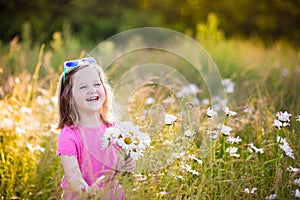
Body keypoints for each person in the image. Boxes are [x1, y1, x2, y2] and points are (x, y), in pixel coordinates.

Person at [56, 57, 136, 199]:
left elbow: (115, 168)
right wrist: (91, 193)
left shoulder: (113, 128)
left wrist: (127, 166)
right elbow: (74, 178)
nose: (92, 90)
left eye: (96, 84)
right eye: (83, 86)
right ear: (68, 97)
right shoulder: (69, 135)